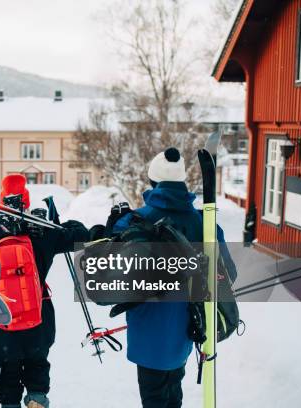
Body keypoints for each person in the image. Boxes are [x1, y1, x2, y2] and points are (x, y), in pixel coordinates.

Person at [112, 147, 237, 408]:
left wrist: (112, 223)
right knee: (172, 393)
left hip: (147, 331)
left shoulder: (133, 222)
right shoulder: (204, 222)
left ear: (153, 182)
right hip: (187, 328)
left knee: (155, 398)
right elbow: (228, 274)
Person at [0, 174, 88, 408]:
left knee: (8, 368)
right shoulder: (42, 233)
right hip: (38, 317)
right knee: (37, 364)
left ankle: (10, 403)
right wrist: (54, 223)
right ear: (26, 202)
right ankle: (36, 400)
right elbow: (81, 236)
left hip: (3, 319)